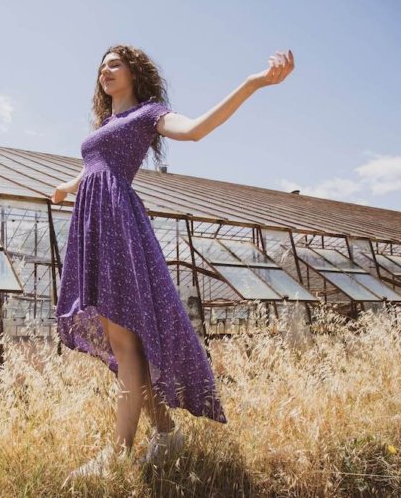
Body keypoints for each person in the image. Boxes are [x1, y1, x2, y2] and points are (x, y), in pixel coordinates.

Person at [51, 44, 294, 480]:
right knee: (127, 340)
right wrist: (66, 187)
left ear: (134, 73)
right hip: (95, 222)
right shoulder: (108, 123)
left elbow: (197, 129)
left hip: (117, 224)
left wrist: (253, 83)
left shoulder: (148, 114)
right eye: (101, 66)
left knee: (126, 341)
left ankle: (117, 457)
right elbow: (95, 166)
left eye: (114, 64)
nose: (105, 71)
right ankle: (166, 433)